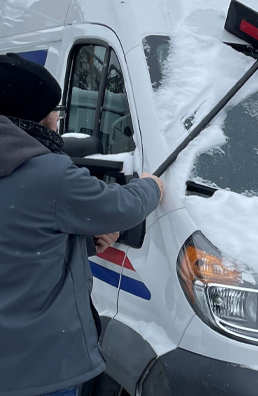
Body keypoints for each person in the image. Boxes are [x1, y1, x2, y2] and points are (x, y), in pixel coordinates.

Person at [0, 53, 164, 395]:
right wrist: (152, 185)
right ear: (38, 118)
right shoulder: (47, 174)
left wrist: (83, 243)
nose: (58, 119)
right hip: (39, 371)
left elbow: (16, 243)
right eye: (55, 112)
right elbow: (122, 207)